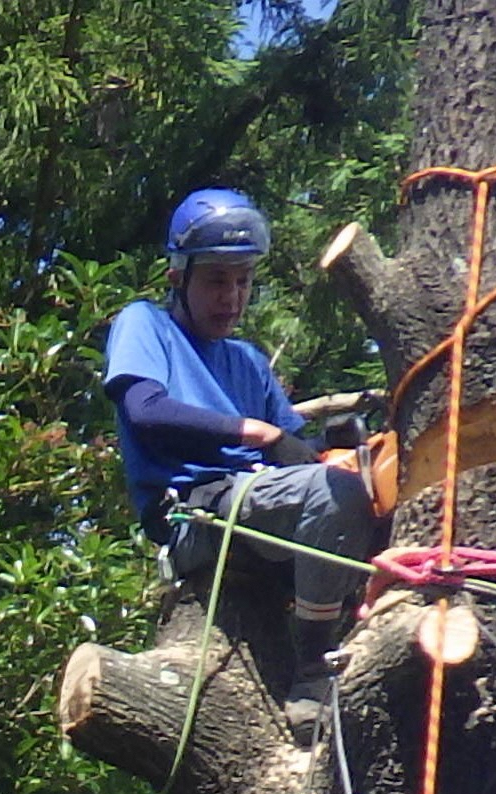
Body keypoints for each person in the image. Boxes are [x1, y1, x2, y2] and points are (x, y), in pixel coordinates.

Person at [103, 187, 380, 731]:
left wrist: (342, 451)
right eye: (216, 280)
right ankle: (313, 670)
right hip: (195, 511)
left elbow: (298, 457)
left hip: (259, 504)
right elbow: (145, 410)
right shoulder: (146, 325)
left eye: (243, 281)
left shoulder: (247, 362)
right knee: (334, 494)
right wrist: (253, 431)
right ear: (177, 277)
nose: (231, 297)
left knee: (368, 490)